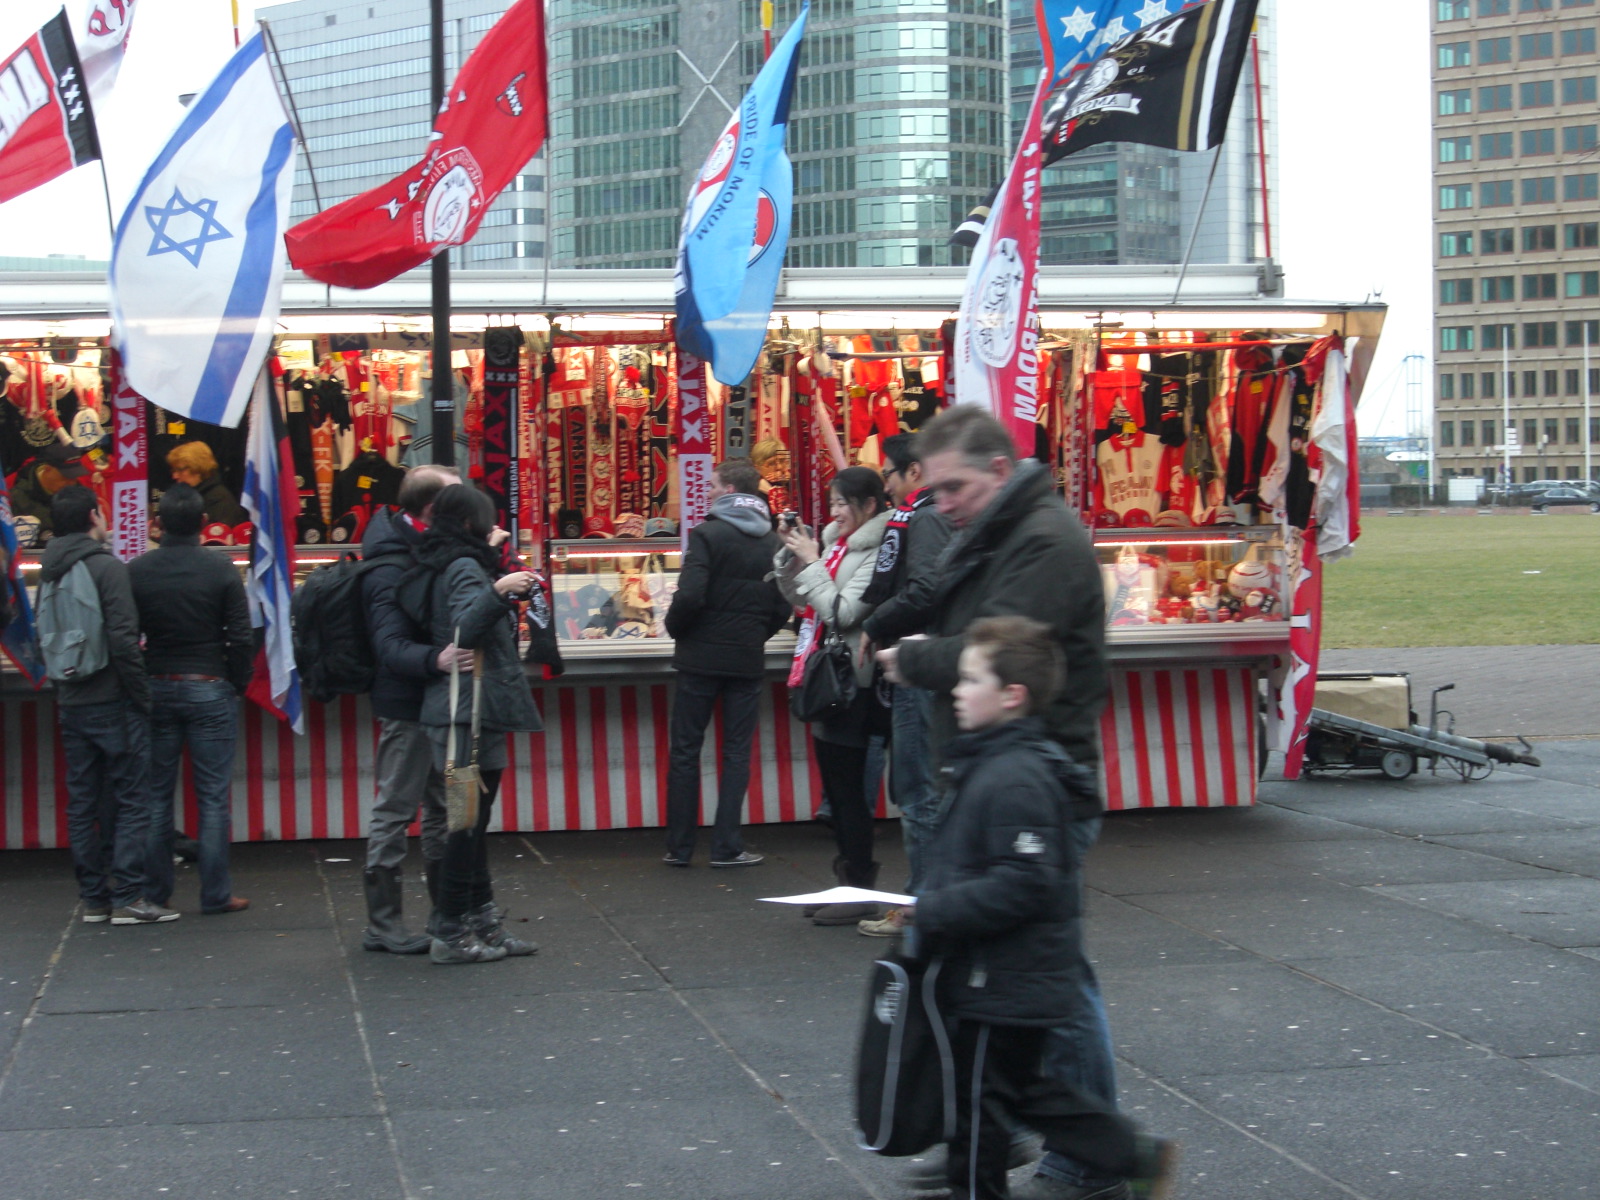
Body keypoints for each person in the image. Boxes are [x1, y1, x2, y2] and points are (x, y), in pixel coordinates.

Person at [876, 406, 1120, 1200]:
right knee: (1003, 970)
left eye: (953, 487)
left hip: (1035, 785)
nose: (941, 502)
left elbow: (995, 653)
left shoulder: (1043, 542)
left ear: (1000, 470)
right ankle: (994, 1125)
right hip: (996, 776)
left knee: (1051, 982)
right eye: (933, 488)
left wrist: (913, 658)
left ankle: (1092, 1161)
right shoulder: (1004, 529)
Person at [905, 616, 1175, 1200]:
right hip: (1000, 974)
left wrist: (934, 909)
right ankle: (1131, 1154)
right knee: (1020, 1092)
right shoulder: (991, 765)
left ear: (1012, 695)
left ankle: (1112, 1159)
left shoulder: (1015, 778)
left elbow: (1023, 883)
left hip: (1002, 977)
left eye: (970, 679)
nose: (957, 690)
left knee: (981, 1108)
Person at [406, 484, 543, 965]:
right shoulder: (464, 566)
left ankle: (479, 921)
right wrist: (501, 589)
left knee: (471, 823)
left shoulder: (443, 560)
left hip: (467, 712)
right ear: (470, 523)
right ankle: (451, 928)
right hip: (468, 714)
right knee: (466, 823)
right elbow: (465, 627)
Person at [39, 487, 171, 924]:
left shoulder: (48, 570)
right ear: (95, 516)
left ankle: (94, 899)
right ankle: (129, 895)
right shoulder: (107, 568)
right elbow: (124, 639)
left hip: (70, 699)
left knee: (82, 801)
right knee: (132, 798)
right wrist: (142, 694)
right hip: (113, 698)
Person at [774, 466, 892, 926]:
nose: (836, 511)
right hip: (828, 676)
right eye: (833, 503)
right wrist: (792, 557)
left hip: (854, 683)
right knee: (837, 789)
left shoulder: (879, 550)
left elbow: (842, 612)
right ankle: (846, 880)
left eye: (843, 503)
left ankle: (859, 886)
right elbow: (804, 601)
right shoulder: (836, 545)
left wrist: (813, 561)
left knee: (848, 791)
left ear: (869, 505)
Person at [130, 484, 254, 916]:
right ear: (203, 523)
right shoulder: (220, 568)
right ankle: (216, 894)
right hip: (210, 683)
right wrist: (236, 683)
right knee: (213, 798)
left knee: (156, 797)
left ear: (157, 524)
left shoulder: (137, 570)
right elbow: (241, 636)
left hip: (156, 684)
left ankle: (155, 893)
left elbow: (125, 635)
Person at [358, 464, 467, 953]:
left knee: (444, 807)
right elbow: (389, 645)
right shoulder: (390, 564)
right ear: (431, 509)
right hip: (407, 704)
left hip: (435, 700)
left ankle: (446, 912)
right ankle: (383, 925)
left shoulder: (426, 550)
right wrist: (436, 659)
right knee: (397, 807)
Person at [661, 458, 791, 868]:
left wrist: (676, 629)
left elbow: (690, 594)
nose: (708, 491)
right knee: (736, 753)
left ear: (731, 489)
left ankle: (680, 848)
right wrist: (754, 635)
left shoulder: (706, 534)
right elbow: (782, 605)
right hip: (746, 659)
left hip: (699, 659)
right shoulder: (772, 541)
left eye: (713, 485)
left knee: (686, 751)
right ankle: (727, 847)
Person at [857, 433, 953, 935]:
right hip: (925, 659)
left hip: (919, 664)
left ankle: (921, 907)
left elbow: (924, 590)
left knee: (918, 791)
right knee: (922, 789)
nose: (886, 486)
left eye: (889, 474)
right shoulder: (933, 514)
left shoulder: (926, 517)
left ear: (914, 472)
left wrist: (876, 622)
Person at [8, 443, 90, 540]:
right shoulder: (17, 498)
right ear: (47, 469)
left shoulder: (80, 494)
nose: (71, 483)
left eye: (74, 477)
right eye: (65, 477)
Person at [167, 441, 248, 526]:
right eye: (173, 470)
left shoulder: (219, 502)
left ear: (197, 468)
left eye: (180, 470)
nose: (174, 476)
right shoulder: (189, 498)